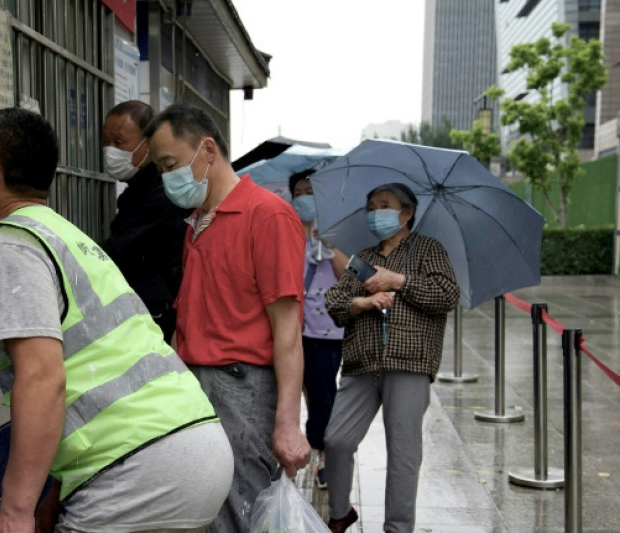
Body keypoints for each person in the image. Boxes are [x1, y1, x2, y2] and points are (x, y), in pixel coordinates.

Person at [0, 107, 233, 533]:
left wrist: (15, 510)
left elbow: (43, 378)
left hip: (138, 466)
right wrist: (56, 493)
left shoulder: (11, 244)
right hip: (193, 444)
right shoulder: (61, 232)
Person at [144, 103, 311, 533]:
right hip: (197, 386)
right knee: (205, 513)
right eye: (160, 169)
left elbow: (288, 330)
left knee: (236, 514)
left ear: (207, 150)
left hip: (242, 391)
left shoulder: (267, 215)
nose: (166, 178)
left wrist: (288, 424)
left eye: (170, 165)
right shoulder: (198, 223)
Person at [323, 183, 459, 533]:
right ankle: (339, 512)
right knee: (337, 440)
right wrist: (362, 302)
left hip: (409, 362)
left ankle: (397, 528)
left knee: (403, 451)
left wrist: (397, 281)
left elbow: (446, 295)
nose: (375, 213)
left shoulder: (428, 250)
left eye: (383, 206)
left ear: (406, 213)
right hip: (360, 363)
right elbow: (335, 302)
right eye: (370, 207)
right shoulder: (362, 258)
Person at [101, 101, 191, 342]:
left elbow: (119, 248)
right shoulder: (138, 189)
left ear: (148, 144)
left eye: (119, 142)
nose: (110, 151)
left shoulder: (162, 190)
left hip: (160, 314)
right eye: (106, 142)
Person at [288, 169, 348, 490]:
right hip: (290, 326)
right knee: (297, 387)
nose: (304, 198)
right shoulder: (284, 230)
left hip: (326, 330)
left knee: (322, 390)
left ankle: (325, 455)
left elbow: (349, 275)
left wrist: (330, 245)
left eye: (310, 192)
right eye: (298, 192)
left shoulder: (335, 232)